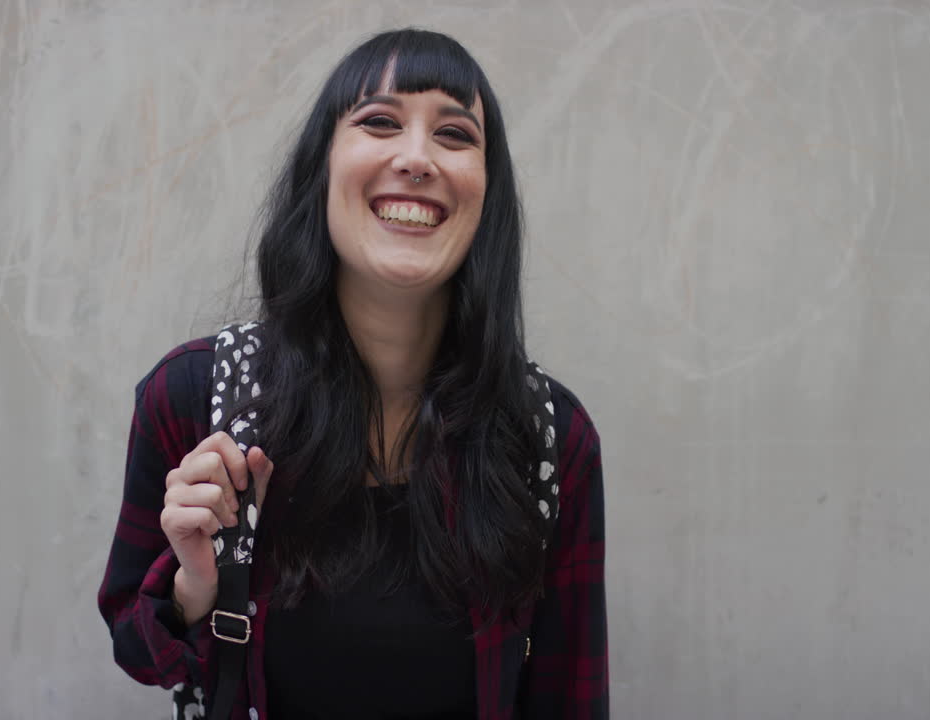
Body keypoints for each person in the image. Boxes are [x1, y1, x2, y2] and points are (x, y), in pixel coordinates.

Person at [98, 28, 607, 719]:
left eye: (455, 134)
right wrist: (194, 586)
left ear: (488, 197)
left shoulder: (549, 438)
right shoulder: (197, 396)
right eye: (379, 122)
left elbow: (569, 701)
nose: (417, 158)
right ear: (322, 167)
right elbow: (138, 648)